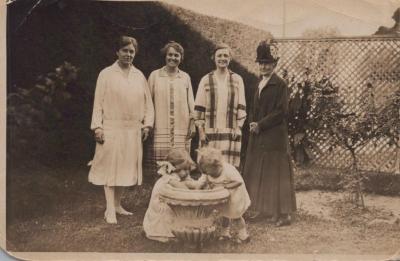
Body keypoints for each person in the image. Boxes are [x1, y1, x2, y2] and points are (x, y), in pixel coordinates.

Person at [88, 36, 154, 224]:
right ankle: (109, 209)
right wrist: (98, 127)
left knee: (125, 168)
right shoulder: (106, 74)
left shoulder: (139, 75)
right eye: (125, 50)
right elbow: (98, 103)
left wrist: (147, 124)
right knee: (111, 167)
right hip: (111, 128)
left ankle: (117, 205)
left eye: (132, 51)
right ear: (117, 51)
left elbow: (148, 104)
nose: (128, 54)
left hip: (132, 130)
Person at [243, 40, 296, 226]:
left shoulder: (280, 84)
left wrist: (261, 124)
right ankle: (264, 209)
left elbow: (282, 111)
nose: (264, 66)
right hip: (259, 135)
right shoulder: (259, 83)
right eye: (262, 63)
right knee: (262, 172)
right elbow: (254, 108)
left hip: (274, 136)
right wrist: (251, 122)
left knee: (276, 174)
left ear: (274, 65)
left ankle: (283, 214)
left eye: (268, 63)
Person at [145, 41, 196, 178]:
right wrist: (148, 124)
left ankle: (179, 189)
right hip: (160, 126)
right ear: (165, 56)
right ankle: (161, 190)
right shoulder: (155, 76)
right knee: (161, 169)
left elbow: (192, 103)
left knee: (180, 166)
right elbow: (148, 103)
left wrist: (192, 124)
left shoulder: (185, 77)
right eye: (170, 55)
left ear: (181, 58)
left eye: (176, 55)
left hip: (181, 126)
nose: (173, 58)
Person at [194, 43, 246, 169]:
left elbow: (241, 105)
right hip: (210, 132)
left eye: (225, 55)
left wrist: (238, 127)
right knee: (210, 166)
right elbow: (199, 109)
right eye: (219, 55)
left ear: (230, 58)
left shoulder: (237, 79)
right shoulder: (206, 80)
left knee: (228, 168)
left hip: (230, 131)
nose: (222, 58)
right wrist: (201, 131)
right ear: (214, 58)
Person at [143, 148, 206, 242]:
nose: (187, 173)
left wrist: (198, 183)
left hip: (164, 205)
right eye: (184, 169)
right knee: (179, 209)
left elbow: (189, 183)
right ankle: (164, 232)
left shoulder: (176, 175)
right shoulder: (170, 179)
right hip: (161, 209)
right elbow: (184, 190)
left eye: (188, 169)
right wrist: (197, 188)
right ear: (174, 168)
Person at [197, 147, 251, 243]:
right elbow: (202, 180)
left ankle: (244, 235)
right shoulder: (208, 172)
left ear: (216, 166)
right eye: (204, 171)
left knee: (236, 216)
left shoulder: (228, 170)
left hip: (235, 197)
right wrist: (197, 186)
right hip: (223, 198)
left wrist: (225, 186)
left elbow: (238, 182)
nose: (206, 173)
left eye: (206, 171)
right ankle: (225, 233)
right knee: (224, 214)